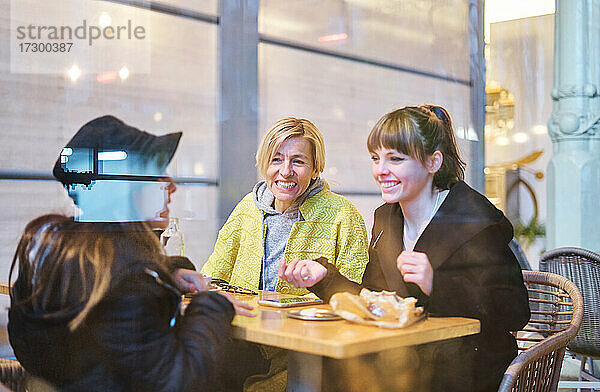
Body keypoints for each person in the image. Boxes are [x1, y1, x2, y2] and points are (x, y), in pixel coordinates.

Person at [279, 105, 530, 392]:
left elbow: (516, 310)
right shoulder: (386, 218)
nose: (380, 171)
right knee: (329, 367)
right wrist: (324, 278)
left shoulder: (474, 219)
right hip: (406, 363)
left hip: (465, 370)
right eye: (376, 158)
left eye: (395, 159)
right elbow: (375, 299)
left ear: (433, 162)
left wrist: (437, 283)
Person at [8, 115, 253, 392]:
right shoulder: (130, 282)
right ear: (126, 190)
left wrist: (169, 272)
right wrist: (211, 305)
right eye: (158, 176)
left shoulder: (60, 250)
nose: (171, 186)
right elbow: (181, 381)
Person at [201, 117, 369, 391]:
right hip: (243, 339)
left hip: (303, 350)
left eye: (298, 162)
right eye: (276, 159)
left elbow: (353, 298)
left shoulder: (343, 215)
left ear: (316, 168)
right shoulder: (247, 208)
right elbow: (213, 274)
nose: (285, 171)